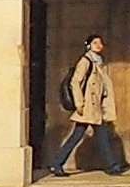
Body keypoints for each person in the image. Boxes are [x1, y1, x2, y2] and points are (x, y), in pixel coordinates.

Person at [52, 34, 125, 179]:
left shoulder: (98, 62)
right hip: (87, 107)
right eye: (95, 42)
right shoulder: (86, 61)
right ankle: (111, 166)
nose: (99, 45)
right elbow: (75, 82)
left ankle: (111, 165)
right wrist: (79, 103)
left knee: (95, 136)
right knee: (86, 136)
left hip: (95, 107)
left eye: (100, 43)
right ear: (89, 45)